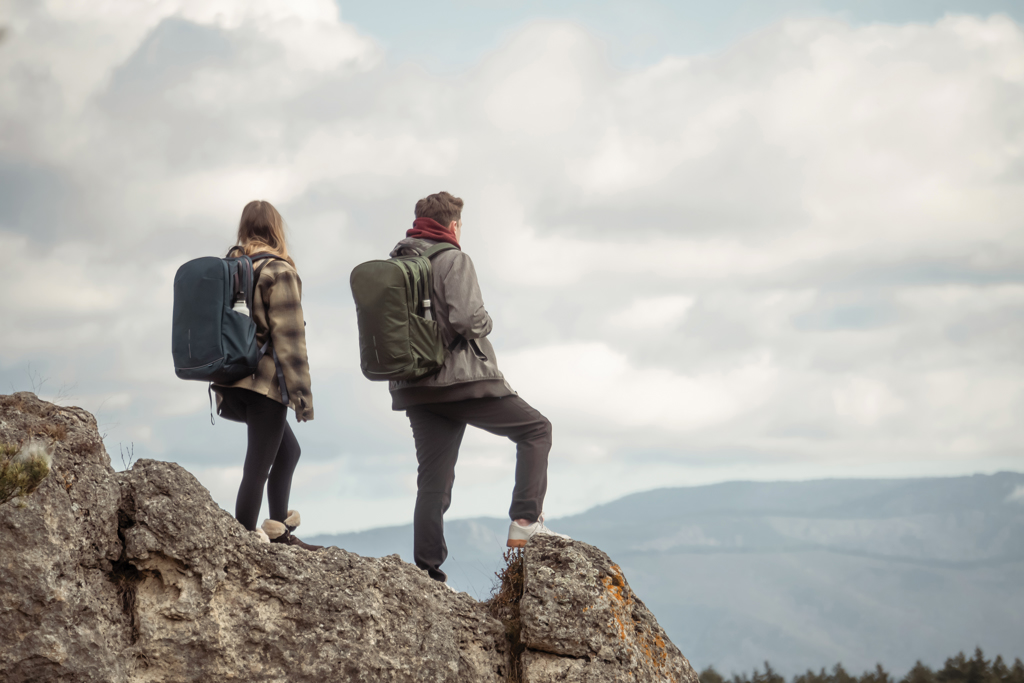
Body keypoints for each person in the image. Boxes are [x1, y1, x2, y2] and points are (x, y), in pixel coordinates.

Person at [390, 191, 567, 584]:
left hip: (413, 387)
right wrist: (488, 320)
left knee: (432, 482)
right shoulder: (453, 259)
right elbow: (469, 321)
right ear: (452, 225)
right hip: (460, 382)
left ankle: (427, 574)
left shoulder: (396, 263)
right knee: (536, 429)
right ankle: (525, 520)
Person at [213, 200, 321, 551]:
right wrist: (301, 397)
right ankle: (242, 546)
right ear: (276, 230)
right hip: (264, 385)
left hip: (229, 381)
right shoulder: (279, 271)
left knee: (287, 453)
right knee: (257, 469)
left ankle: (280, 534)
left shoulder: (229, 269)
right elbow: (290, 340)